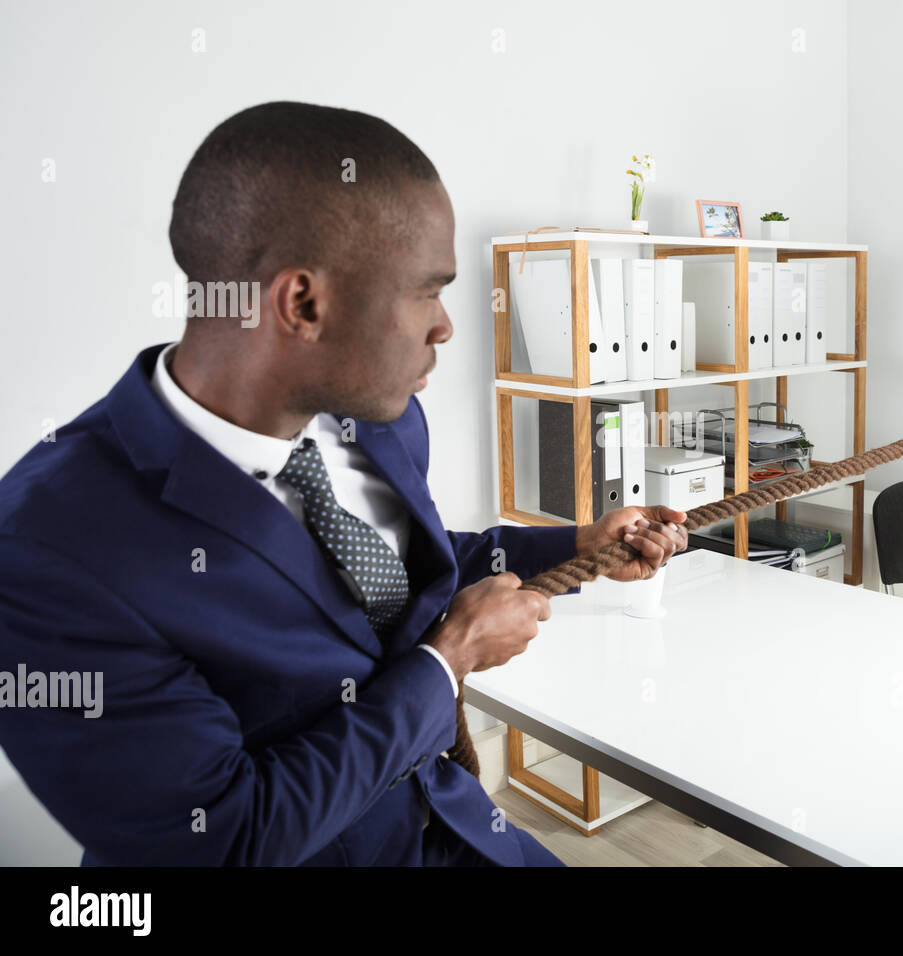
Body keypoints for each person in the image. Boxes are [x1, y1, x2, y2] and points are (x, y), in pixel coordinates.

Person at [0, 101, 688, 866]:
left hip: (455, 826)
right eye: (427, 291)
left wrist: (576, 545)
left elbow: (402, 574)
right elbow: (227, 840)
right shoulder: (45, 553)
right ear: (303, 303)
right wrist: (447, 663)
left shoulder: (382, 419)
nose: (446, 328)